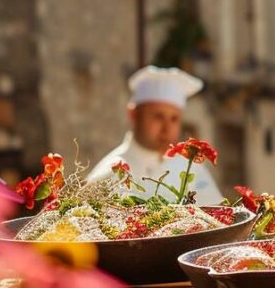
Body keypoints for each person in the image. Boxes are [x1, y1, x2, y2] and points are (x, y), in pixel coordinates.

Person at [86, 66, 224, 205]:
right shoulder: (109, 172)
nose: (166, 128)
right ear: (134, 115)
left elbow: (220, 217)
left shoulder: (190, 169)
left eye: (174, 119)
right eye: (158, 117)